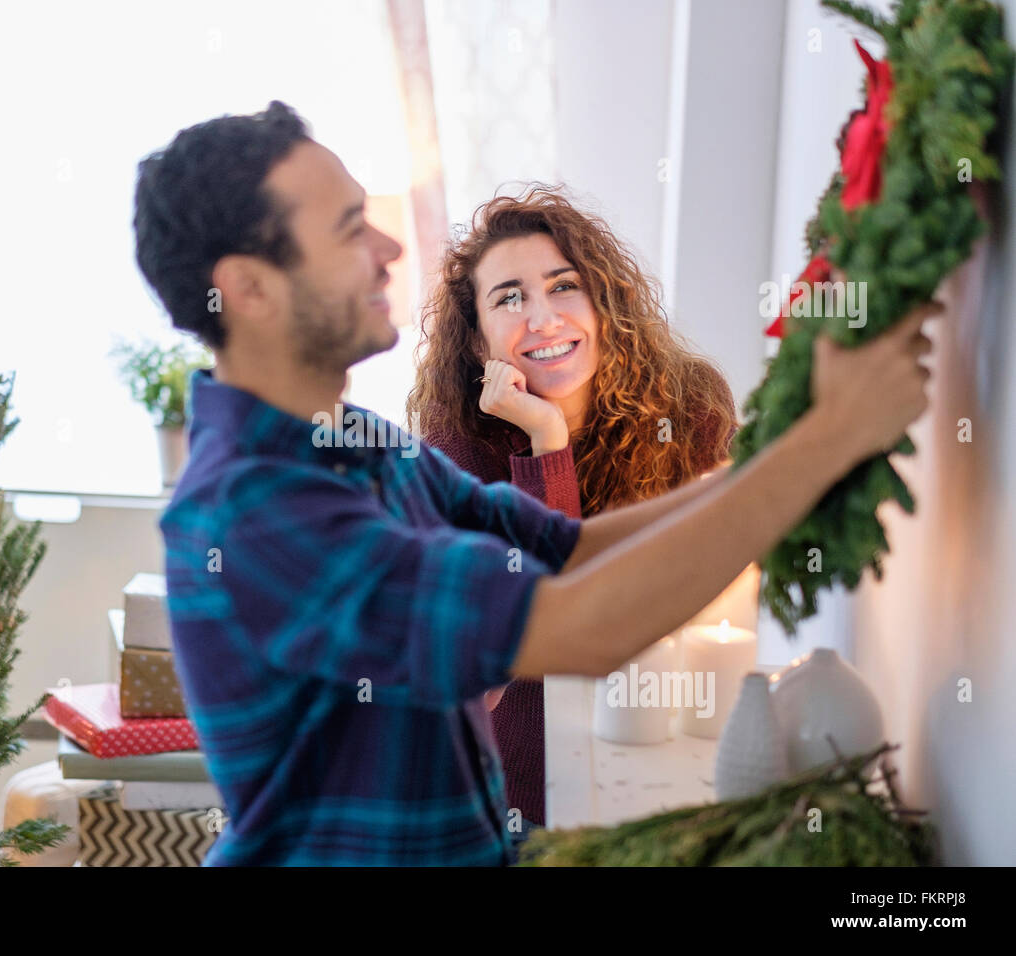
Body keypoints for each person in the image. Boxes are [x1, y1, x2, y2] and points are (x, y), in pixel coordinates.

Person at [133, 100, 938, 866]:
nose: (388, 249)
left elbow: (570, 552)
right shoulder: (256, 509)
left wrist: (788, 447)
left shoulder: (359, 445)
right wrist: (825, 442)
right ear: (248, 288)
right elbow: (575, 630)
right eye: (350, 230)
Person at [405, 186, 738, 840]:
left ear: (603, 301)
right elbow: (540, 614)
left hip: (665, 757)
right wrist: (545, 440)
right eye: (509, 298)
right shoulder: (456, 434)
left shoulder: (692, 406)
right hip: (514, 791)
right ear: (477, 345)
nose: (545, 318)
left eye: (564, 286)